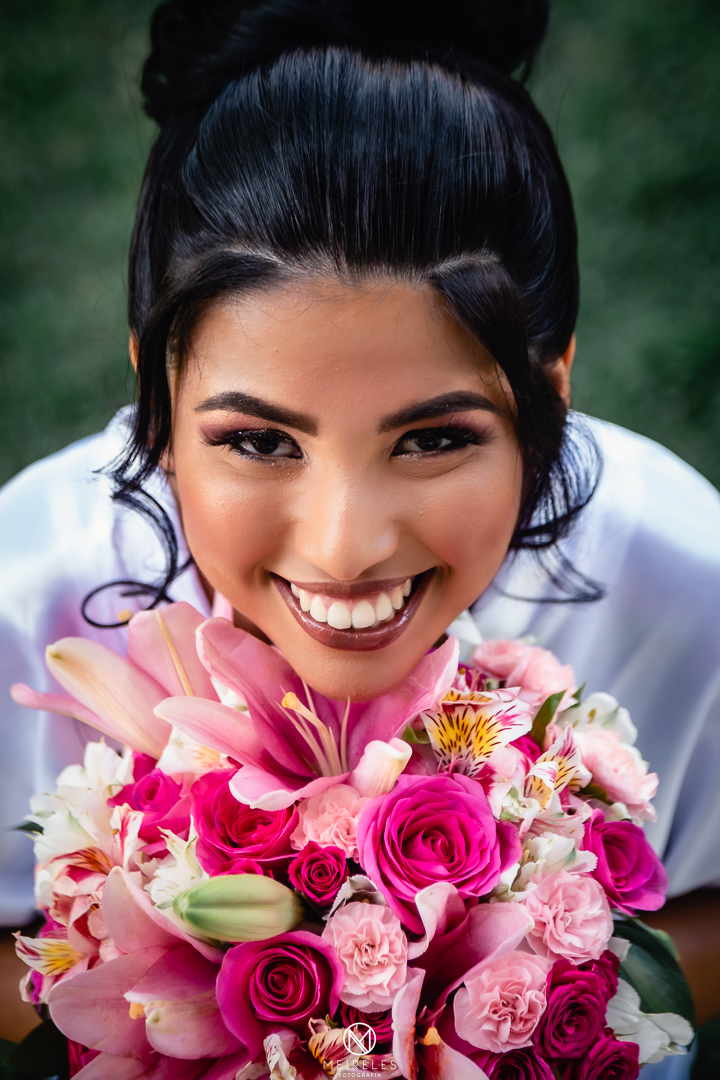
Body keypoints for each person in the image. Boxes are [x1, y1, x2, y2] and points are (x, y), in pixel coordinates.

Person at [0, 0, 717, 1070]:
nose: (342, 548)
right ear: (156, 393)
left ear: (550, 397)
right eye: (258, 441)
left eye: (432, 438)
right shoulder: (21, 595)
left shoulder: (684, 588)